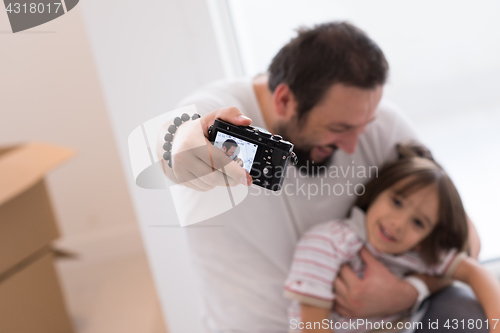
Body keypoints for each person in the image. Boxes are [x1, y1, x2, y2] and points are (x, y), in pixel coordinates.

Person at [158, 22, 483, 332]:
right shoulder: (219, 107)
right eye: (339, 129)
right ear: (284, 100)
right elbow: (176, 139)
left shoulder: (375, 122)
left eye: (364, 126)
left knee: (461, 309)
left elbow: (467, 241)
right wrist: (185, 148)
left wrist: (409, 291)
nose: (354, 144)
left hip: (378, 322)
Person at [285, 144, 500, 332]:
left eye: (418, 223)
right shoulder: (326, 244)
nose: (398, 224)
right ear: (378, 190)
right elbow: (311, 327)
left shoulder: (417, 251)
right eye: (397, 202)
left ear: (426, 237)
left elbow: (474, 271)